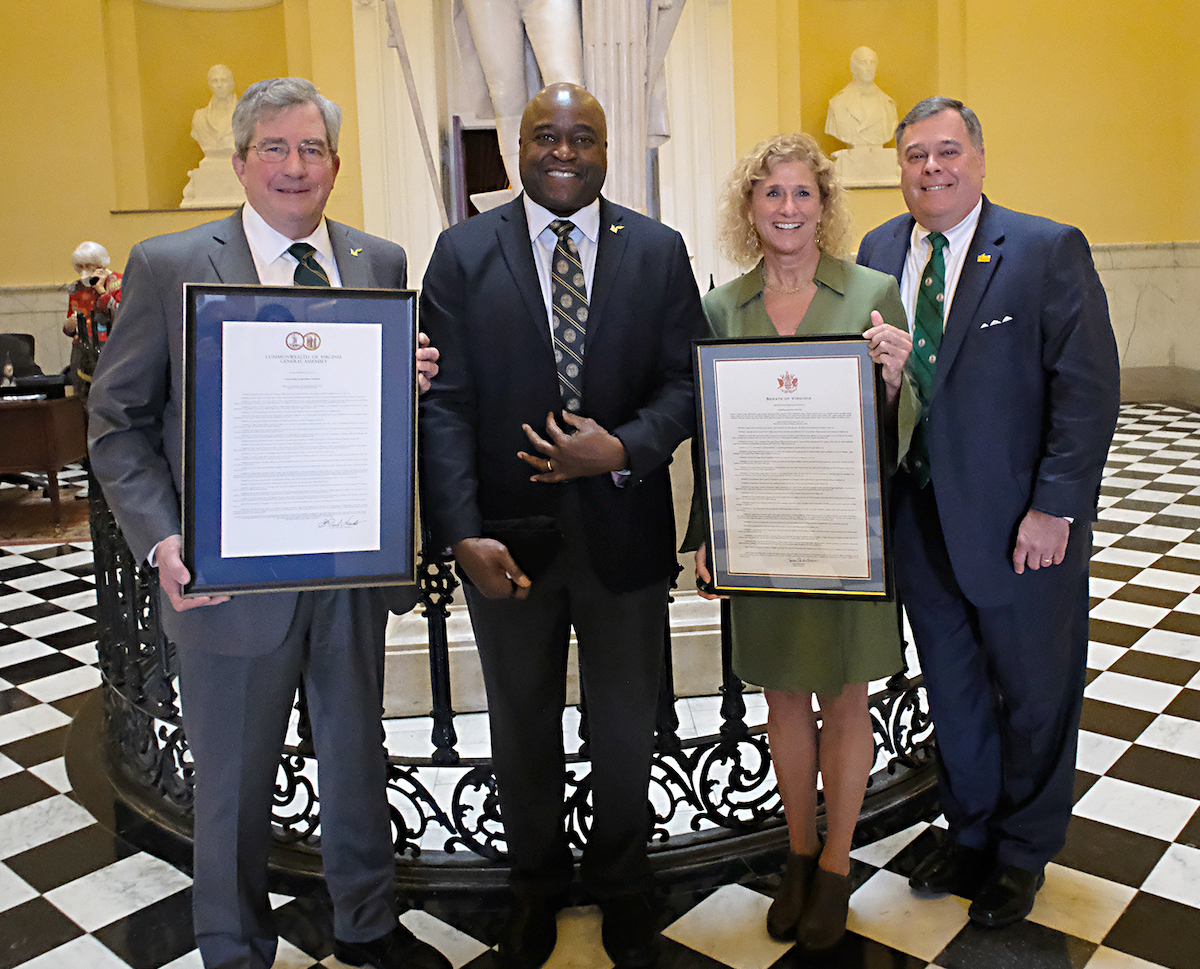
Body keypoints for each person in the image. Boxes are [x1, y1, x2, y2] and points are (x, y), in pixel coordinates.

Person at [88, 78, 449, 969]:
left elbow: (370, 413)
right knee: (235, 784)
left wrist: (408, 379)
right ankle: (234, 945)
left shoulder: (379, 260)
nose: (296, 167)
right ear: (242, 161)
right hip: (226, 579)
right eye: (276, 149)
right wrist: (163, 539)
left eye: (313, 149)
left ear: (335, 164)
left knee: (358, 760)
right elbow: (118, 419)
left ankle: (367, 924)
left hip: (349, 567)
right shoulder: (172, 264)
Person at [419, 82, 706, 969]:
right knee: (522, 728)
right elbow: (443, 405)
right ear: (518, 144)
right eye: (547, 135)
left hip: (623, 537)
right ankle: (534, 889)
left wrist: (620, 446)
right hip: (507, 544)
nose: (565, 151)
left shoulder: (657, 250)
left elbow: (689, 383)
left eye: (583, 137)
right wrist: (460, 530)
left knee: (626, 729)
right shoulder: (462, 253)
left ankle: (623, 890)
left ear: (607, 148)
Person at [856, 97, 1120, 928]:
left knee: (1036, 691)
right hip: (919, 517)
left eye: (946, 152)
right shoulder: (877, 251)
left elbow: (1086, 391)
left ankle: (1022, 850)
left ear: (978, 157)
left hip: (1020, 529)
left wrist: (1055, 508)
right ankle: (969, 830)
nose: (931, 168)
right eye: (914, 156)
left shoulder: (1044, 249)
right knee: (955, 687)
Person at [681, 133, 916, 951]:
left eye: (802, 194)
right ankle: (798, 851)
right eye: (771, 193)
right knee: (783, 694)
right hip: (765, 532)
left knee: (846, 695)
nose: (787, 208)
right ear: (749, 207)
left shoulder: (873, 292)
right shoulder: (722, 307)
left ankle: (838, 864)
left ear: (825, 204)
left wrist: (894, 376)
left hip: (848, 533)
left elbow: (906, 420)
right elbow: (712, 433)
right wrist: (708, 532)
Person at [65, 241, 122, 400]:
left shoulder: (119, 282)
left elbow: (123, 315)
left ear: (101, 264)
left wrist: (101, 291)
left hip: (110, 351)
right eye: (79, 267)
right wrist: (68, 326)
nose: (83, 271)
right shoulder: (77, 287)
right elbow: (72, 323)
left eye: (88, 266)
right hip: (83, 354)